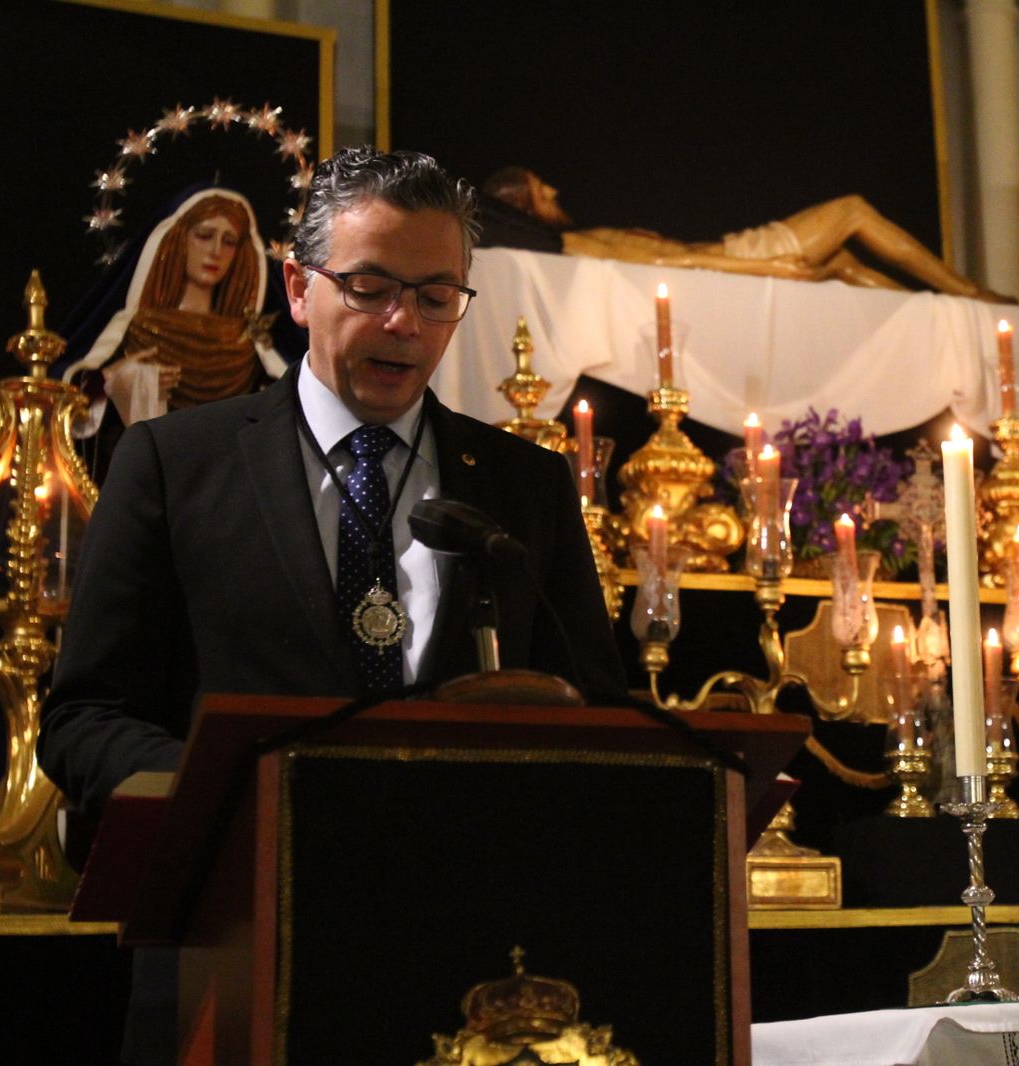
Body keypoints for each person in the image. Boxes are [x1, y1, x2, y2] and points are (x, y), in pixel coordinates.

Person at [38, 147, 626, 1064]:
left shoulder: (523, 487)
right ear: (299, 286)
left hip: (466, 980)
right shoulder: (170, 464)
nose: (404, 323)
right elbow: (83, 720)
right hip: (230, 965)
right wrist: (246, 794)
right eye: (370, 286)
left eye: (437, 296)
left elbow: (600, 714)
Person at [477, 165, 1012, 301]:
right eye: (541, 193)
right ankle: (969, 294)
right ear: (523, 207)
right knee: (852, 210)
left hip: (735, 253)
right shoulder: (578, 246)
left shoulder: (582, 239)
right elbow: (674, 264)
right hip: (743, 255)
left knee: (846, 265)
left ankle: (926, 309)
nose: (553, 190)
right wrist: (766, 267)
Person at [57, 187, 299, 479]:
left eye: (229, 241)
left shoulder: (249, 346)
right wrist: (111, 379)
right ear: (178, 238)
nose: (215, 252)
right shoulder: (133, 328)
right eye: (204, 236)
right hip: (141, 484)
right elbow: (66, 411)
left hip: (223, 488)